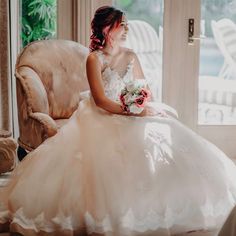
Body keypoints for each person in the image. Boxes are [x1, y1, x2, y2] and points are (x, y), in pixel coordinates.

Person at [1, 5, 236, 236]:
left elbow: (144, 89)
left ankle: (165, 204)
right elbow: (101, 100)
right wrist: (131, 111)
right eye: (120, 24)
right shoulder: (94, 59)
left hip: (131, 110)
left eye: (125, 24)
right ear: (106, 28)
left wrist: (142, 104)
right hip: (102, 114)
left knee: (166, 131)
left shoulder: (131, 55)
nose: (126, 28)